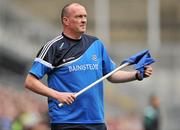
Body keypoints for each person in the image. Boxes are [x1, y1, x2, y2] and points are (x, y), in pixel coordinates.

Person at [24, 3, 153, 130]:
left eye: (85, 16)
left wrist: (137, 75)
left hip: (96, 120)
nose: (84, 20)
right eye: (79, 17)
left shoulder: (96, 44)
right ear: (66, 20)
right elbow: (30, 81)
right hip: (66, 121)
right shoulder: (53, 47)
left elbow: (112, 74)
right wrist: (58, 95)